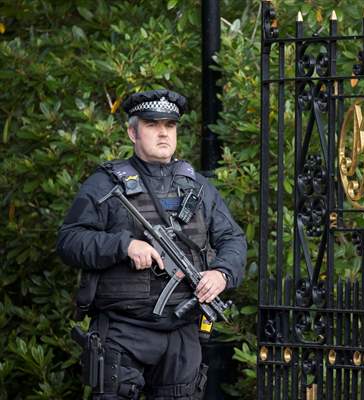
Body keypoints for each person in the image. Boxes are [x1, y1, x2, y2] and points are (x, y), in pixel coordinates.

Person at [57, 89, 246, 399]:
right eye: (152, 124)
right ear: (133, 132)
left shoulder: (198, 187)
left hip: (182, 332)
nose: (162, 132)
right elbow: (69, 240)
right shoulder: (107, 184)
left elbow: (233, 239)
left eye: (170, 125)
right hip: (122, 331)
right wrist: (124, 246)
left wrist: (221, 274)